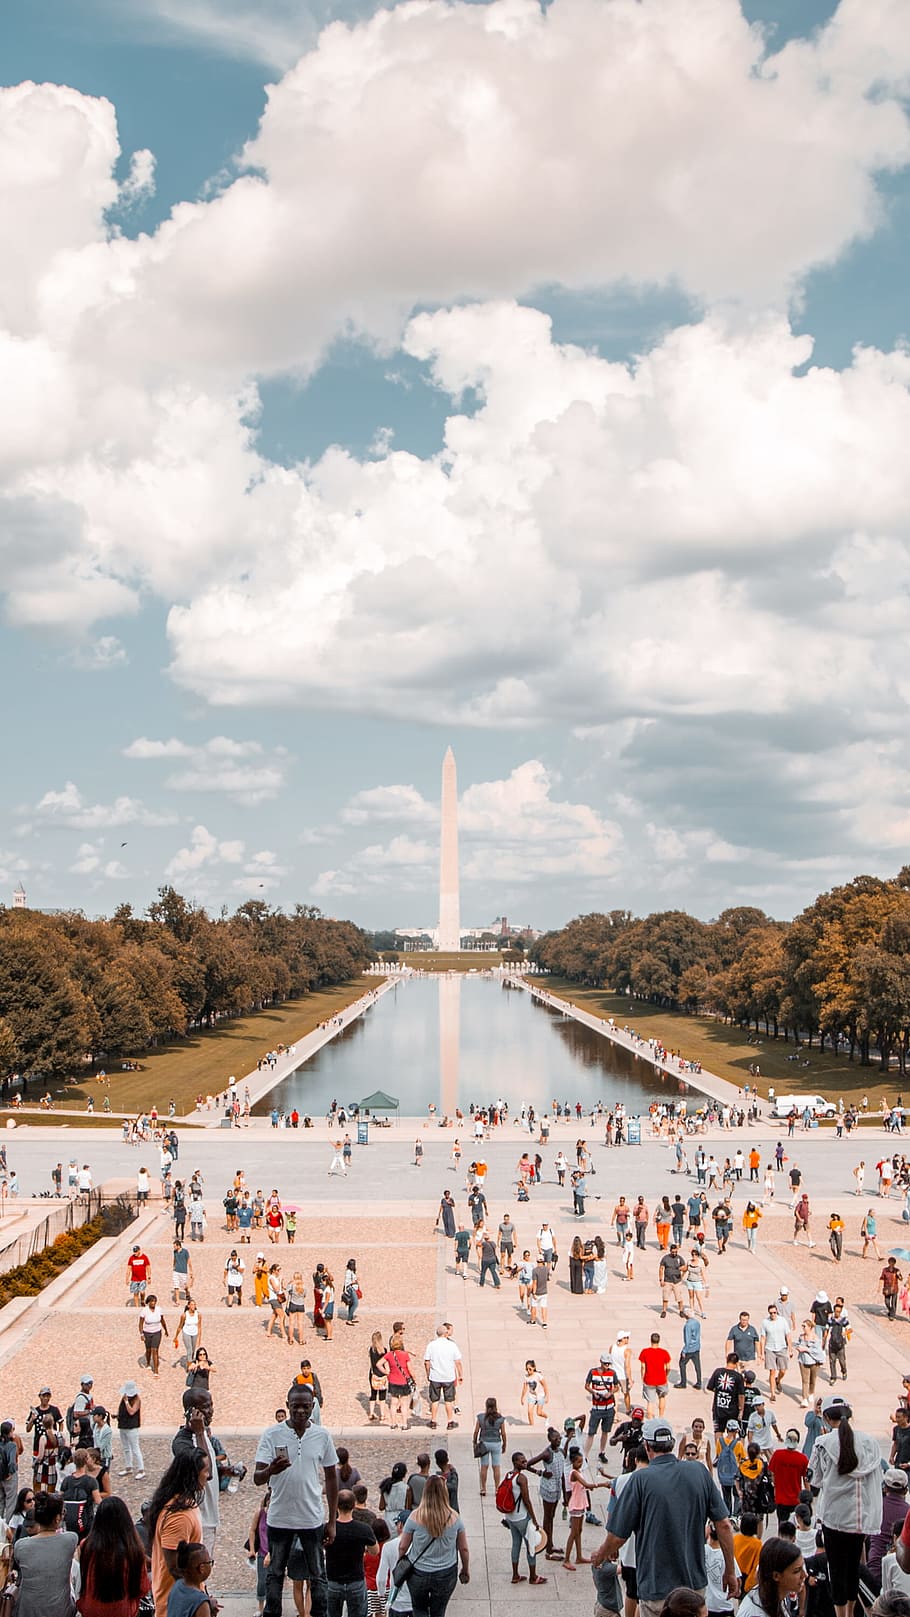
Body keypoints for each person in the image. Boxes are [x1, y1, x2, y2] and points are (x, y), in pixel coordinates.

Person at [593, 1417, 737, 1617]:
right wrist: (730, 1572)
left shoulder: (640, 1480)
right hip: (693, 1590)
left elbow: (617, 1536)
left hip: (656, 1591)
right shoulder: (699, 1472)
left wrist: (600, 1555)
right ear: (673, 1445)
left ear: (647, 1446)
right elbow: (724, 1525)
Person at [253, 1384, 338, 1617]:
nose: (300, 1411)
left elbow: (332, 1477)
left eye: (305, 1406)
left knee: (318, 1574)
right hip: (280, 1518)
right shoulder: (272, 1434)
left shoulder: (322, 1435)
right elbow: (257, 1478)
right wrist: (271, 1469)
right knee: (275, 1574)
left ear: (313, 1407)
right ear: (287, 1405)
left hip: (311, 1518)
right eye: (295, 1406)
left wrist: (331, 1521)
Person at [810, 1394, 883, 1617]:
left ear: (826, 1417)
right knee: (853, 1567)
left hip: (835, 1516)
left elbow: (816, 1479)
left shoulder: (823, 1443)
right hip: (861, 1518)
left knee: (836, 1570)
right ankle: (850, 1612)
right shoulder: (870, 1442)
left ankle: (841, 1614)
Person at [397, 1473, 469, 1617]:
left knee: (419, 1609)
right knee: (439, 1611)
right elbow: (464, 1548)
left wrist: (401, 1561)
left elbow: (402, 1547)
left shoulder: (415, 1517)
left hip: (418, 1572)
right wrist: (465, 1569)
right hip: (446, 1572)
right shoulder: (454, 1518)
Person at [149, 1449, 208, 1617]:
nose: (209, 1476)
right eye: (206, 1471)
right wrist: (199, 1600)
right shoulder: (179, 1516)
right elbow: (175, 1568)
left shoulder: (185, 1505)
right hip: (177, 1606)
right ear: (193, 1475)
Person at [74, 1494, 151, 1616]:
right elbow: (142, 1588)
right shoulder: (133, 1550)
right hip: (123, 1610)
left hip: (91, 1609)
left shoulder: (86, 1545)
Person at [11, 1488, 78, 1617]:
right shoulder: (70, 1540)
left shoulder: (21, 1546)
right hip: (60, 1610)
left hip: (27, 1610)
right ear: (58, 1518)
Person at [324, 1488, 376, 1617]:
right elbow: (375, 1551)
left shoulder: (327, 1528)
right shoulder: (364, 1529)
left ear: (336, 1506)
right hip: (356, 1580)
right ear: (354, 1505)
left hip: (333, 1580)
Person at [500, 1452, 548, 1584]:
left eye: (525, 1461)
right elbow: (527, 1500)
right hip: (522, 1518)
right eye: (522, 1461)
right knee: (530, 1545)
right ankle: (533, 1577)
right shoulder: (522, 1478)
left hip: (510, 1517)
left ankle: (515, 1575)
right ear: (515, 1462)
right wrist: (534, 1519)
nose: (525, 1463)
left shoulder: (508, 1475)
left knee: (516, 1544)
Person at [736, 1536, 806, 1617]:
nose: (805, 1575)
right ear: (776, 1576)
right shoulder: (756, 1612)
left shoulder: (775, 1595)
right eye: (797, 1570)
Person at [424, 1327, 463, 1431]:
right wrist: (460, 1375)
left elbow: (427, 1361)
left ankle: (433, 1421)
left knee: (434, 1400)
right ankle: (450, 1421)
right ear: (446, 1333)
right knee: (448, 1401)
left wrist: (428, 1373)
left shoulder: (431, 1345)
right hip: (448, 1376)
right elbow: (458, 1361)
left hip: (435, 1376)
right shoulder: (451, 1345)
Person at [768, 1431, 809, 1526]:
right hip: (796, 1499)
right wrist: (808, 1496)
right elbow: (806, 1479)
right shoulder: (802, 1459)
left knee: (782, 1525)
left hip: (781, 1498)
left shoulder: (777, 1455)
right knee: (796, 1526)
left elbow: (771, 1472)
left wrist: (776, 1485)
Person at [584, 1355, 619, 1462]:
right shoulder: (593, 1372)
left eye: (608, 1364)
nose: (607, 1366)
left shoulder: (612, 1373)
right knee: (591, 1432)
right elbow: (586, 1385)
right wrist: (594, 1393)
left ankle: (602, 1452)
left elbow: (617, 1386)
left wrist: (610, 1393)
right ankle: (585, 1455)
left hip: (608, 1407)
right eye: (605, 1363)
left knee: (605, 1431)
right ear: (601, 1362)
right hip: (597, 1408)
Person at [472, 1397, 505, 1495]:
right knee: (496, 1467)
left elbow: (476, 1431)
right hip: (496, 1443)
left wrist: (474, 1442)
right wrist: (504, 1444)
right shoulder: (500, 1419)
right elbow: (503, 1433)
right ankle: (497, 1488)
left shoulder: (481, 1417)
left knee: (484, 1466)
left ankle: (483, 1488)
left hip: (484, 1444)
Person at [759, 1305, 792, 1402]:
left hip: (781, 1348)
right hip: (770, 1349)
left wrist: (790, 1349)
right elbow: (763, 1338)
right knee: (772, 1371)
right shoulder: (765, 1322)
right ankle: (773, 1393)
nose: (773, 1314)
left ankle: (778, 1380)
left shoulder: (782, 1321)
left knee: (783, 1370)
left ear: (777, 1312)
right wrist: (761, 1353)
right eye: (771, 1313)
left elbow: (788, 1335)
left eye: (774, 1312)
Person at [706, 1357, 745, 1433]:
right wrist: (741, 1410)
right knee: (732, 1433)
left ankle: (719, 1445)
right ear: (736, 1363)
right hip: (732, 1410)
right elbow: (741, 1395)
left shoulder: (717, 1372)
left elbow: (710, 1387)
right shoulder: (738, 1376)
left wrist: (719, 1391)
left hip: (718, 1409)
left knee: (718, 1432)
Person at [639, 1334, 672, 1419]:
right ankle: (661, 1416)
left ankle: (650, 1419)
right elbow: (668, 1367)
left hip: (649, 1379)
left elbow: (643, 1367)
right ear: (659, 1341)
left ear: (651, 1340)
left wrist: (643, 1377)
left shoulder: (645, 1352)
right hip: (661, 1379)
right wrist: (665, 1375)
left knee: (650, 1401)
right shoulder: (664, 1352)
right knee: (662, 1397)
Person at [139, 1294, 169, 1376]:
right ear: (148, 1302)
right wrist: (141, 1334)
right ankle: (148, 1362)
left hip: (157, 1332)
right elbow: (141, 1323)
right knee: (148, 1350)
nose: (153, 1303)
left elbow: (162, 1320)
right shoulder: (144, 1311)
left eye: (155, 1301)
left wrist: (166, 1330)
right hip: (147, 1332)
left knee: (155, 1350)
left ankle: (156, 1371)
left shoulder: (159, 1310)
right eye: (152, 1301)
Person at [679, 1311, 703, 1391]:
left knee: (682, 1364)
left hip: (689, 1349)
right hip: (696, 1347)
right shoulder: (697, 1322)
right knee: (697, 1366)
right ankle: (699, 1382)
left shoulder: (688, 1325)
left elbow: (688, 1339)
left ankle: (683, 1382)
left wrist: (684, 1351)